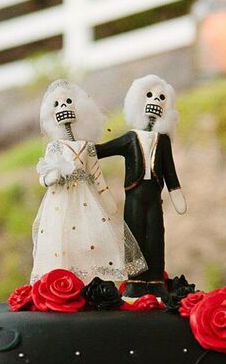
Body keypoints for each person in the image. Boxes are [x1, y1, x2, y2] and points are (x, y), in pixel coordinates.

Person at [31, 79, 145, 283]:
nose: (63, 107)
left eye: (67, 101)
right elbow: (43, 178)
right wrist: (52, 177)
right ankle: (64, 280)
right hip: (60, 201)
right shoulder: (55, 147)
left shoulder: (88, 147)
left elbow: (96, 174)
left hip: (87, 199)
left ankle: (90, 280)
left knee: (90, 239)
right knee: (62, 238)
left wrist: (106, 197)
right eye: (57, 104)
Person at [96, 74, 186, 295]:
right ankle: (135, 281)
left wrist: (175, 190)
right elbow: (104, 149)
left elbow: (170, 169)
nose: (155, 101)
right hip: (134, 196)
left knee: (155, 235)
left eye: (160, 97)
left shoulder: (163, 140)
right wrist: (82, 146)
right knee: (134, 236)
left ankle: (155, 280)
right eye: (149, 96)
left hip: (154, 197)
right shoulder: (129, 138)